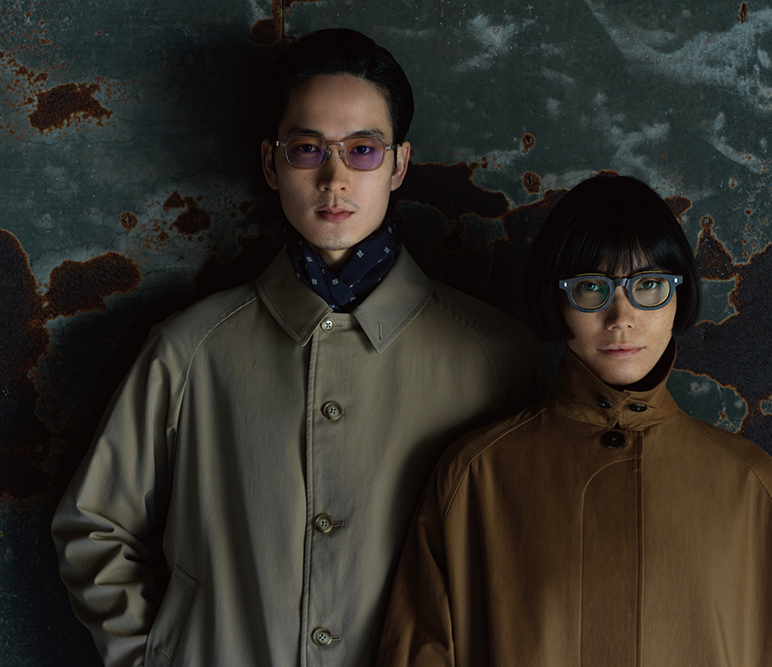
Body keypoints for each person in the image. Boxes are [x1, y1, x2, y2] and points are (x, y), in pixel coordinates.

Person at [52, 28, 546, 666]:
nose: (334, 179)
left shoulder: (497, 356)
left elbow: (538, 553)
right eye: (308, 149)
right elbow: (93, 526)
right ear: (271, 163)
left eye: (363, 149)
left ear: (398, 165)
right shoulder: (190, 349)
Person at [376, 174, 772, 667]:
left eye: (649, 284)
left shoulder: (754, 487)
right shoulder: (474, 475)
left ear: (679, 295)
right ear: (557, 299)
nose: (621, 316)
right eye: (591, 287)